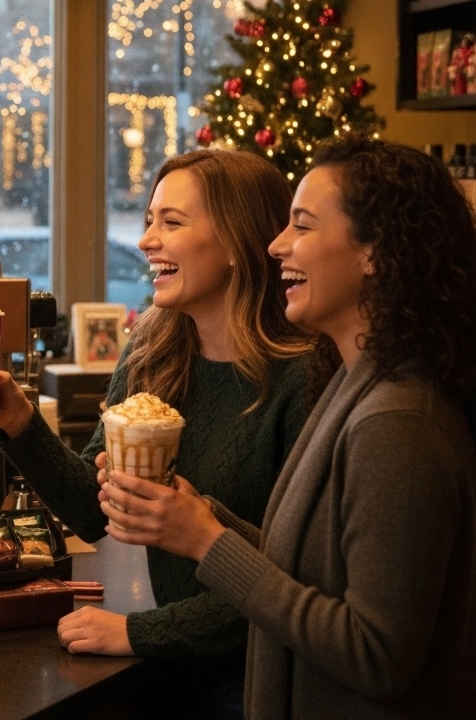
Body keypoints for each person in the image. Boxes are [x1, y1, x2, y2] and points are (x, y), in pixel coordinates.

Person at [101, 135, 476, 719]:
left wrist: (206, 541)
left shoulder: (398, 424)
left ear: (376, 251)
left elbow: (376, 656)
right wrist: (202, 517)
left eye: (302, 226)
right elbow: (308, 574)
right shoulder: (355, 385)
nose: (277, 245)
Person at [0, 148, 312, 718]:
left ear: (238, 242)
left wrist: (138, 633)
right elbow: (92, 512)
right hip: (174, 661)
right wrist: (19, 423)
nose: (145, 240)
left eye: (172, 222)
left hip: (258, 675)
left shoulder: (301, 377)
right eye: (147, 220)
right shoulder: (154, 351)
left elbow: (288, 587)